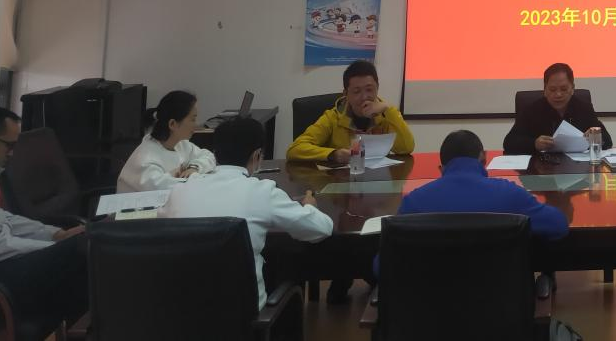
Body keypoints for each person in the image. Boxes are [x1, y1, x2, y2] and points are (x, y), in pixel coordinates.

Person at [162, 117, 333, 309]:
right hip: (241, 315)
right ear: (257, 155)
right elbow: (321, 229)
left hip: (181, 312)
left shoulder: (180, 190)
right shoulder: (262, 192)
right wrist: (310, 207)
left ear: (215, 154)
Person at [0, 107, 89, 332]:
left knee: (88, 246)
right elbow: (2, 245)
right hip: (2, 277)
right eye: (9, 146)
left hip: (10, 261)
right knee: (83, 249)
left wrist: (55, 234)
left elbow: (6, 219)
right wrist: (53, 246)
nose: (12, 154)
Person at [391, 130, 567, 243]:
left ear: (441, 169)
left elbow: (383, 265)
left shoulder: (413, 203)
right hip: (502, 291)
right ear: (484, 159)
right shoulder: (510, 194)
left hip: (431, 292)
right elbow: (558, 225)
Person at [286, 61, 415, 164]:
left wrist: (389, 109)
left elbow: (406, 148)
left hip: (378, 180)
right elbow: (295, 149)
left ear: (377, 88)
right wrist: (333, 154)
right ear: (346, 94)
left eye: (369, 90)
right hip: (342, 181)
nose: (364, 97)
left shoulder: (385, 114)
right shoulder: (333, 117)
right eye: (356, 91)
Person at [117, 90, 217, 193]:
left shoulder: (180, 144)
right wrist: (194, 177)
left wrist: (194, 168)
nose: (196, 125)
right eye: (193, 119)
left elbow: (208, 156)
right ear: (172, 124)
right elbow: (169, 190)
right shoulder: (146, 161)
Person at [502, 63, 612, 155]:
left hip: (577, 169)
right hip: (541, 169)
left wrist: (595, 138)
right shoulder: (532, 110)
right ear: (545, 90)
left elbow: (607, 141)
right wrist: (534, 143)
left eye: (564, 89)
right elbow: (509, 142)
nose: (558, 94)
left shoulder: (584, 107)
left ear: (572, 89)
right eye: (552, 89)